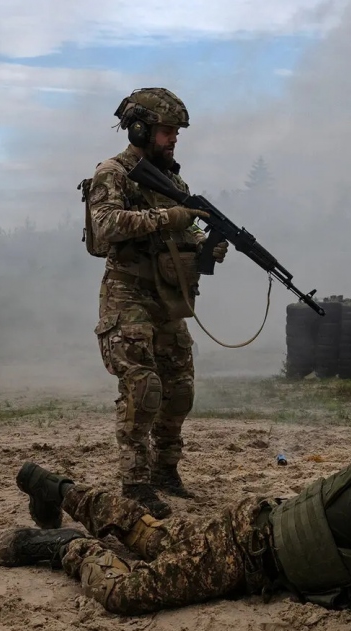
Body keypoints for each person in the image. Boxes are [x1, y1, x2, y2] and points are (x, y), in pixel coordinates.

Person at [0, 409, 351, 622]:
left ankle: (52, 483)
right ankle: (63, 545)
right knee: (127, 590)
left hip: (253, 525)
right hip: (242, 555)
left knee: (148, 533)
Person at [83, 87, 228, 518]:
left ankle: (167, 471)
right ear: (140, 128)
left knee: (179, 387)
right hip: (127, 293)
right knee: (143, 386)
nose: (173, 139)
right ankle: (136, 482)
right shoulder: (114, 173)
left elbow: (184, 233)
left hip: (166, 299)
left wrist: (206, 246)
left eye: (177, 132)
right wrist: (172, 217)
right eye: (167, 131)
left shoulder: (172, 182)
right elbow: (105, 225)